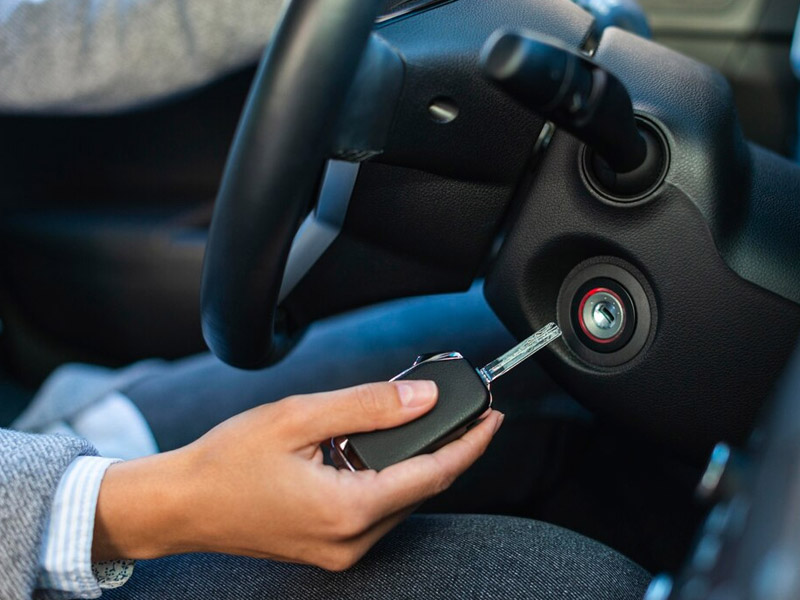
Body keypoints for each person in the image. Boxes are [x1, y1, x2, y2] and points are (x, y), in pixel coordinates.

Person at [0, 1, 653, 599]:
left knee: (508, 331)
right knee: (577, 585)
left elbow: (55, 30)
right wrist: (145, 506)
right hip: (48, 545)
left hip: (44, 448)